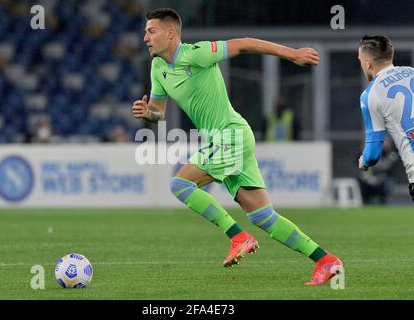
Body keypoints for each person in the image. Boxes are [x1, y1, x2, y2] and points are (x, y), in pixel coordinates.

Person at [132, 8, 342, 285]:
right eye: (146, 31)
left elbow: (245, 43)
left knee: (180, 185)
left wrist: (292, 54)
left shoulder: (197, 54)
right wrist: (148, 113)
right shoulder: (158, 67)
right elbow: (159, 112)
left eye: (151, 31)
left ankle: (238, 237)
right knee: (263, 216)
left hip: (231, 135)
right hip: (224, 139)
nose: (145, 37)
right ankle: (326, 261)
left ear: (170, 33)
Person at [357, 35, 414, 202]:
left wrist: (364, 161)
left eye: (360, 59)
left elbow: (373, 154)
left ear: (367, 62)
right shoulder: (412, 72)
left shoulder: (370, 94)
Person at [357, 138, 398, 204]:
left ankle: (382, 201)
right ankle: (365, 201)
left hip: (383, 178)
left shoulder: (391, 154)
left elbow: (391, 160)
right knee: (361, 179)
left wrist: (382, 165)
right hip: (368, 178)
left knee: (387, 183)